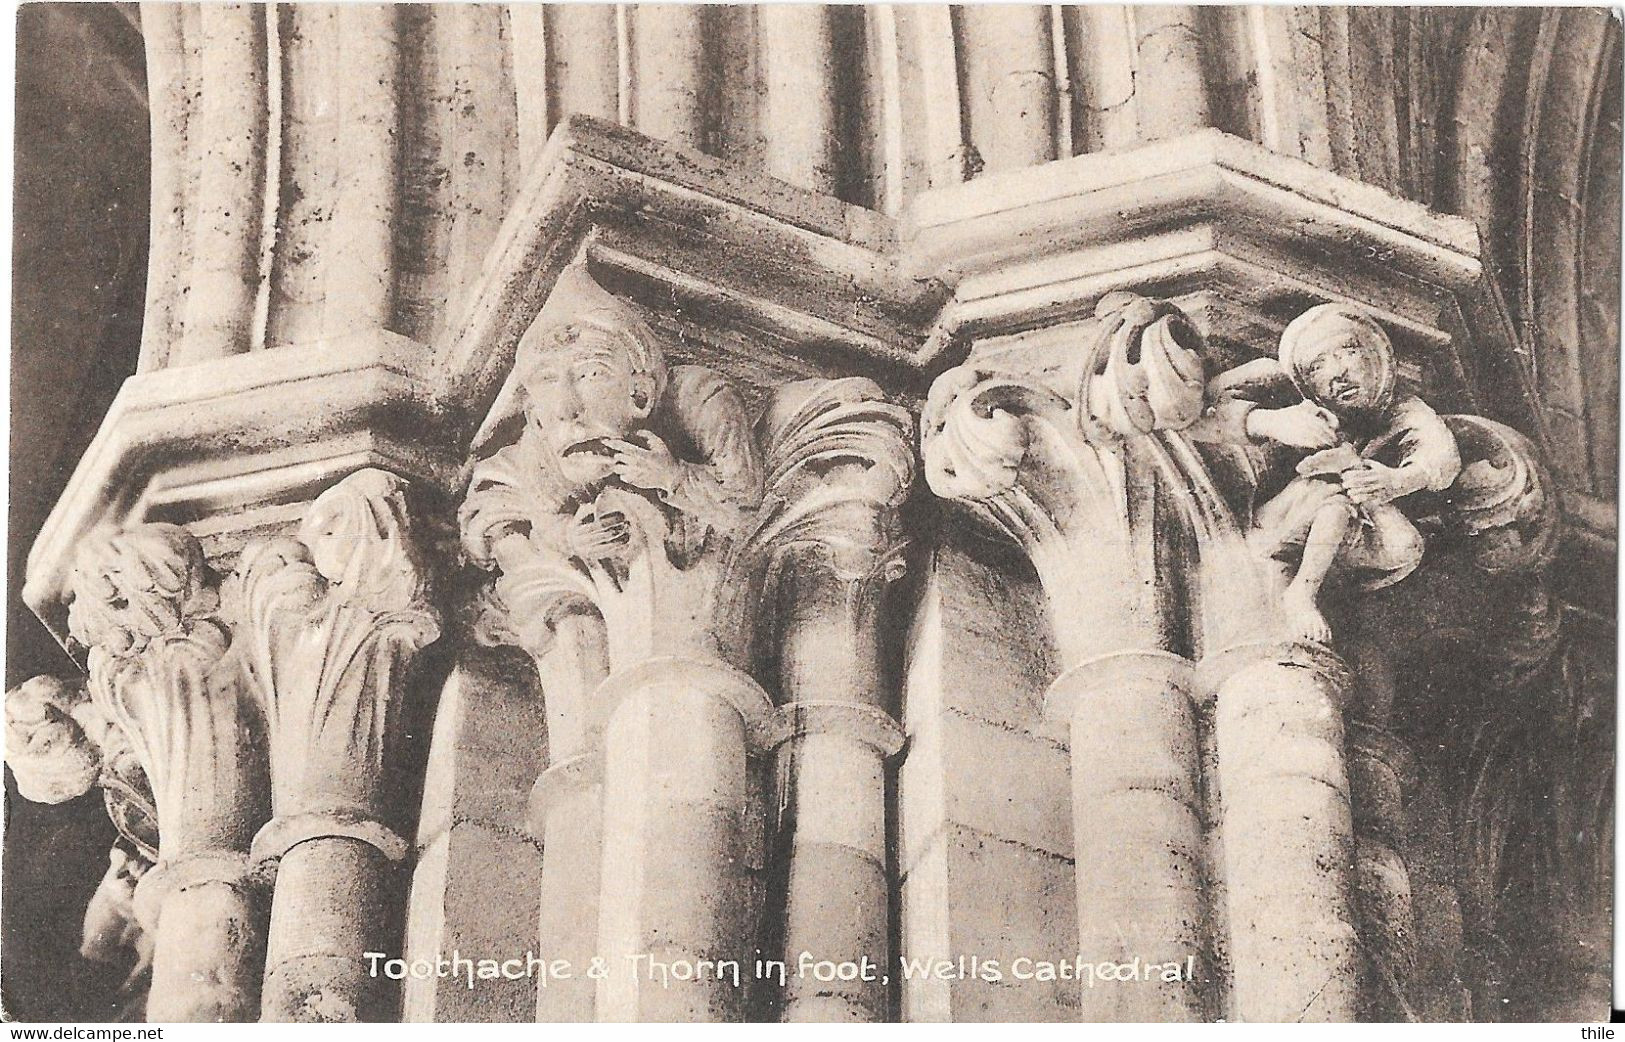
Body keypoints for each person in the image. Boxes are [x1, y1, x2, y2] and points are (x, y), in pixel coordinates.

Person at [1199, 304, 1461, 643]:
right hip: (1277, 520)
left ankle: (1316, 586)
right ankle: (1302, 594)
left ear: (1375, 354)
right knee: (1333, 498)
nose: (1337, 373)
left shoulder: (1402, 411)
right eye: (1317, 366)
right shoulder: (1279, 383)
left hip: (1353, 528)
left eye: (1347, 351)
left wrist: (1396, 481)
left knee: (1405, 546)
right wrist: (1271, 421)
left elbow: (1442, 455)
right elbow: (1197, 409)